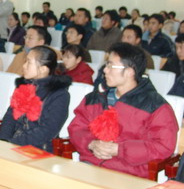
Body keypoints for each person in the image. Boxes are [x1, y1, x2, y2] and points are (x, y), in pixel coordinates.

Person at [68, 43, 178, 178]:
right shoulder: (95, 98)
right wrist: (91, 143)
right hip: (90, 166)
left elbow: (163, 146)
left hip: (128, 173)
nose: (105, 70)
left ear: (129, 72)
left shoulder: (155, 106)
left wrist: (120, 150)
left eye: (111, 66)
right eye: (106, 65)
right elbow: (76, 128)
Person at [0, 46, 71, 152]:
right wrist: (3, 140)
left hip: (38, 149)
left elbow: (47, 131)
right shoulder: (25, 86)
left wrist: (13, 143)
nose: (24, 66)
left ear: (43, 69)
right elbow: (10, 116)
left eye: (29, 62)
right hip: (12, 143)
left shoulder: (60, 95)